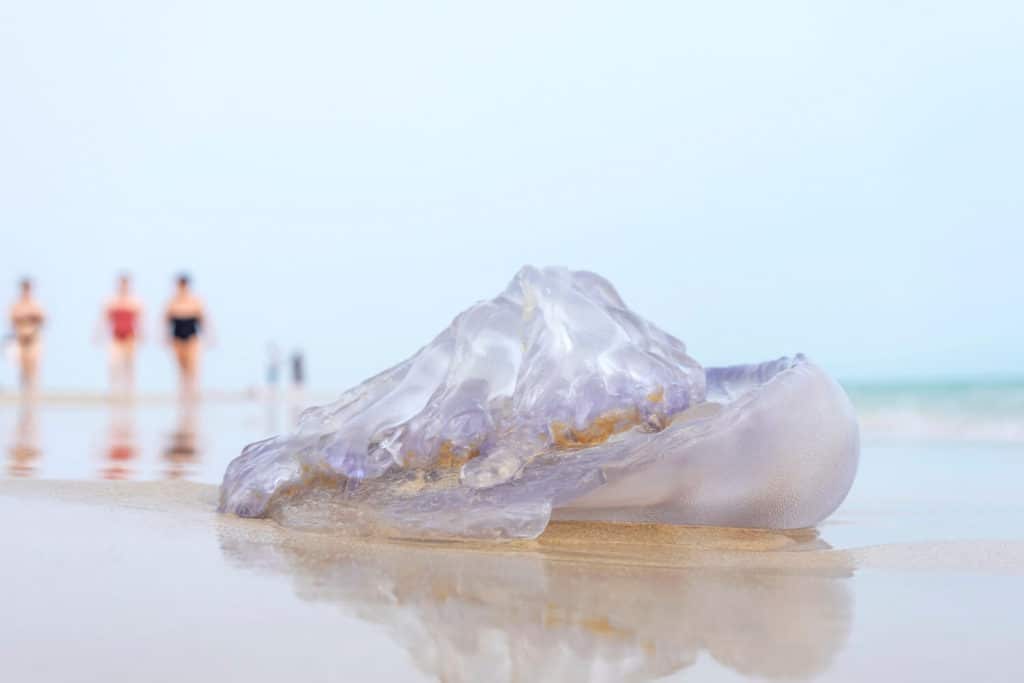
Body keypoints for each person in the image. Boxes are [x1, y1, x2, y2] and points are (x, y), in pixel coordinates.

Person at [98, 273, 144, 396]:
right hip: (115, 337)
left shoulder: (135, 301)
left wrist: (142, 334)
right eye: (121, 284)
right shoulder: (111, 301)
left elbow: (140, 320)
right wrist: (99, 333)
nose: (123, 287)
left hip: (130, 337)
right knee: (113, 364)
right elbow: (103, 319)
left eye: (125, 284)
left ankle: (129, 391)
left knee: (129, 365)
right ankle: (114, 391)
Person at [164, 273, 208, 397]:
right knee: (181, 367)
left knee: (193, 366)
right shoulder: (172, 302)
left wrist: (208, 336)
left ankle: (194, 392)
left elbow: (203, 319)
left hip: (192, 336)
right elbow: (165, 320)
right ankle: (183, 392)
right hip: (177, 336)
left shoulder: (195, 301)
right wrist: (165, 336)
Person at [9, 278, 45, 394]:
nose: (26, 292)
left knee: (34, 368)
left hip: (34, 340)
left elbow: (42, 319)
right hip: (20, 340)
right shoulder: (16, 305)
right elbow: (12, 320)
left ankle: (33, 394)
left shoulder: (36, 304)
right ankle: (24, 393)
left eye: (28, 289)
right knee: (22, 368)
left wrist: (32, 317)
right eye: (24, 289)